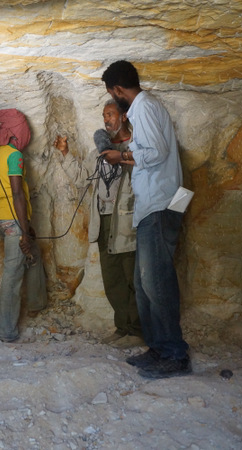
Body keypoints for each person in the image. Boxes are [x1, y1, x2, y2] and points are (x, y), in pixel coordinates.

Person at [101, 60, 191, 379]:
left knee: (157, 281)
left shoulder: (143, 106)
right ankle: (157, 348)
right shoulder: (144, 108)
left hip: (161, 204)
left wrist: (121, 156)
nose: (115, 100)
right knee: (144, 283)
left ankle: (174, 354)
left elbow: (156, 152)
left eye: (112, 94)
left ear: (118, 89)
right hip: (157, 204)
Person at [54, 100, 142, 347]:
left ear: (123, 117)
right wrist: (65, 154)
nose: (106, 120)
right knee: (112, 277)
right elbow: (84, 179)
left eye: (111, 114)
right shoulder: (98, 154)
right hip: (103, 220)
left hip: (127, 221)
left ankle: (137, 331)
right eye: (104, 115)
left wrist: (124, 158)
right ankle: (123, 327)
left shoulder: (134, 147)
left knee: (131, 276)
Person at [0, 108, 47, 342]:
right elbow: (17, 194)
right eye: (24, 130)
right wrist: (23, 232)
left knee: (34, 255)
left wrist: (27, 228)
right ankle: (6, 331)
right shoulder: (14, 155)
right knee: (12, 275)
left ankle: (36, 305)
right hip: (13, 220)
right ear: (15, 132)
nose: (26, 134)